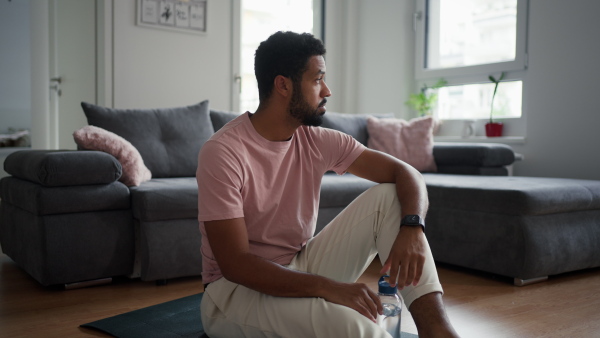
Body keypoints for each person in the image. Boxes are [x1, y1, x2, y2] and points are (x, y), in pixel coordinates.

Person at [196, 31, 459, 338]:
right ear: (283, 85)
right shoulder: (223, 151)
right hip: (232, 293)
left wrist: (413, 228)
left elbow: (406, 173)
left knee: (389, 196)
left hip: (299, 265)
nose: (328, 90)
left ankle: (436, 329)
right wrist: (330, 289)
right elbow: (235, 264)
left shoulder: (317, 140)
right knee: (360, 329)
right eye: (317, 79)